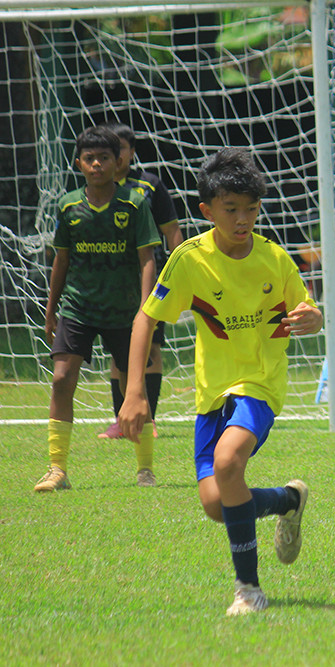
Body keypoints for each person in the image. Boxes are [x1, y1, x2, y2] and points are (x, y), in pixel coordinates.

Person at [118, 148, 322, 616]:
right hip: (213, 392)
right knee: (217, 503)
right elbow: (145, 321)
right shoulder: (190, 259)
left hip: (260, 383)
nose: (243, 219)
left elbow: (307, 308)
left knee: (229, 464)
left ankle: (248, 590)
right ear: (207, 210)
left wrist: (312, 316)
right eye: (231, 209)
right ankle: (289, 500)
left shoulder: (275, 260)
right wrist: (134, 392)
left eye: (251, 209)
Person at [33, 125, 161, 492]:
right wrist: (51, 307)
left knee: (134, 385)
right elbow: (61, 259)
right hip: (79, 306)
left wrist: (145, 308)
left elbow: (147, 258)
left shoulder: (134, 203)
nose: (97, 164)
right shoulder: (69, 206)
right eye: (89, 158)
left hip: (125, 310)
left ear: (117, 161)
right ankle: (57, 469)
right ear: (79, 163)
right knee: (61, 379)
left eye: (104, 157)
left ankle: (145, 469)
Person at [98, 122, 184, 440]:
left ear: (131, 152)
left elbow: (172, 230)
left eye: (119, 148)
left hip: (150, 278)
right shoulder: (96, 190)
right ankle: (121, 420)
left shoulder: (149, 185)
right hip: (112, 281)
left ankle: (149, 418)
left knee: (151, 346)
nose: (114, 156)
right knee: (118, 350)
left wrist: (182, 268)